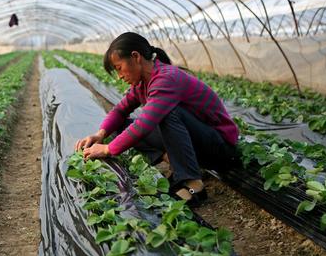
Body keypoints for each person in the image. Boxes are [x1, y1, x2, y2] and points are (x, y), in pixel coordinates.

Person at [74, 32, 240, 206]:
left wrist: (108, 149)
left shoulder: (166, 78)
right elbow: (119, 110)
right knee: (121, 124)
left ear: (136, 57)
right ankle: (172, 159)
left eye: (119, 68)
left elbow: (144, 124)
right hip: (198, 143)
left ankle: (194, 185)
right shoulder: (143, 83)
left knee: (167, 114)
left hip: (221, 148)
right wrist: (100, 134)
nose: (120, 76)